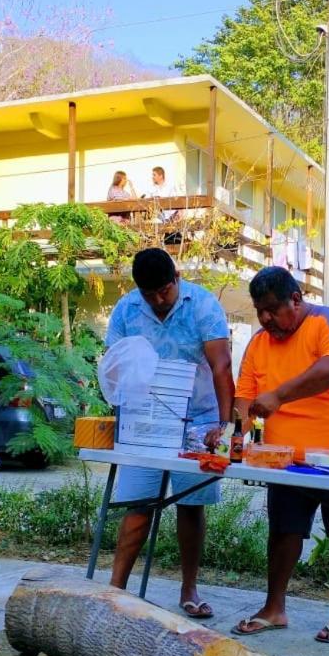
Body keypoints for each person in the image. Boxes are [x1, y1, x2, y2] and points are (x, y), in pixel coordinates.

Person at [231, 266, 329, 643]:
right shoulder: (260, 343)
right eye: (259, 310)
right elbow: (245, 397)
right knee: (282, 532)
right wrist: (234, 430)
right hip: (287, 462)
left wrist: (278, 395)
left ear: (296, 300)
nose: (265, 319)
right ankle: (274, 608)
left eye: (273, 309)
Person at [105, 248, 235, 618]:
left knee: (191, 506)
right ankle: (116, 589)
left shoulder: (204, 305)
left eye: (164, 290)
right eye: (150, 295)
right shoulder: (127, 310)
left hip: (199, 421)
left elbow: (222, 367)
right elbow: (114, 364)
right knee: (138, 506)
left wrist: (223, 428)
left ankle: (189, 590)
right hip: (144, 421)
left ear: (176, 277)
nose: (159, 300)